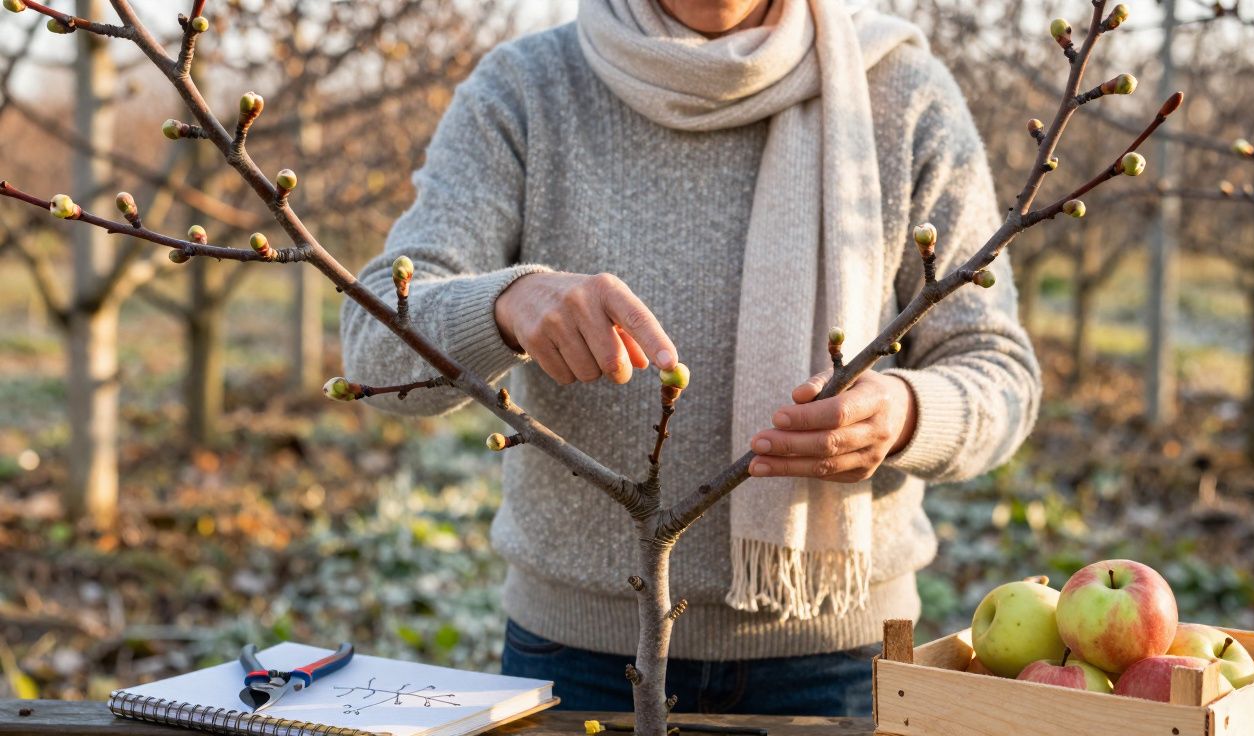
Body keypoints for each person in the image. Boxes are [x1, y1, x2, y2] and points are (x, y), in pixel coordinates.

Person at [341, 0, 1040, 718]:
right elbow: (373, 351)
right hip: (578, 659)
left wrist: (907, 414)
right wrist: (505, 304)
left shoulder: (904, 93)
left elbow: (998, 370)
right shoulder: (526, 88)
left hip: (838, 662)